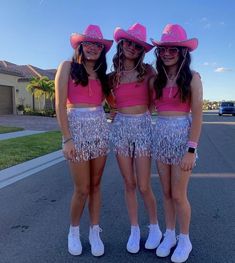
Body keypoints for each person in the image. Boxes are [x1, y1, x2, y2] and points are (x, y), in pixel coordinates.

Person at [55, 24, 113, 257]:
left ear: (102, 49)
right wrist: (67, 138)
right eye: (88, 43)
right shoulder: (67, 67)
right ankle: (74, 231)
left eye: (97, 45)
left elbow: (116, 102)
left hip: (99, 130)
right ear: (80, 46)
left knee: (96, 186)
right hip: (76, 132)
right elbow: (59, 105)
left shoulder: (102, 76)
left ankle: (95, 232)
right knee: (82, 189)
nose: (92, 48)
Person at [150, 24, 203, 263]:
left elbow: (198, 115)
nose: (167, 53)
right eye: (163, 49)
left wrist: (191, 149)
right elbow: (149, 107)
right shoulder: (157, 79)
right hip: (160, 140)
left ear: (182, 51)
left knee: (180, 194)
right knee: (167, 192)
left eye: (173, 49)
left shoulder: (192, 78)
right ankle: (169, 234)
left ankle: (185, 238)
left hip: (182, 141)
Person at [109, 23, 162, 254]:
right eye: (128, 43)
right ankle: (134, 229)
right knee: (128, 183)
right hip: (120, 129)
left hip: (142, 128)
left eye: (137, 45)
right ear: (121, 45)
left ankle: (155, 227)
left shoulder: (149, 71)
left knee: (143, 184)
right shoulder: (111, 77)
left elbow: (161, 91)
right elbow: (111, 102)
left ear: (141, 50)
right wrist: (114, 111)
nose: (132, 47)